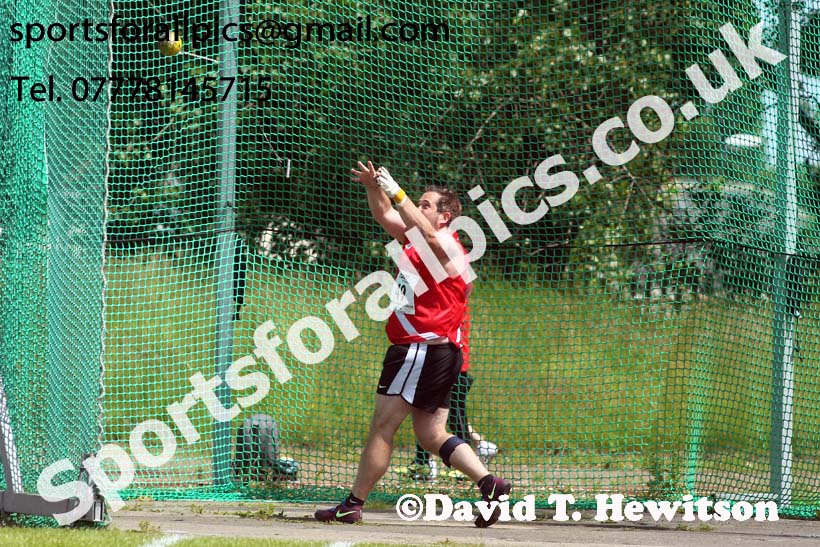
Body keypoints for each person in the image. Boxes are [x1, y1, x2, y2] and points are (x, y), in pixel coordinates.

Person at [314, 161, 511, 527]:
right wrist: (375, 187)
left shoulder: (448, 247)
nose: (416, 208)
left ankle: (353, 504)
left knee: (382, 428)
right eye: (417, 202)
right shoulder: (419, 241)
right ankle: (490, 482)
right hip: (434, 352)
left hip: (420, 349)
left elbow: (423, 230)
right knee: (432, 433)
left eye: (425, 205)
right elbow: (386, 215)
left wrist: (398, 190)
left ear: (445, 216)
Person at [398, 309, 499, 482]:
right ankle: (479, 446)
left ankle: (434, 462)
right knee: (437, 414)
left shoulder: (449, 304)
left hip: (450, 363)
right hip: (443, 361)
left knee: (437, 413)